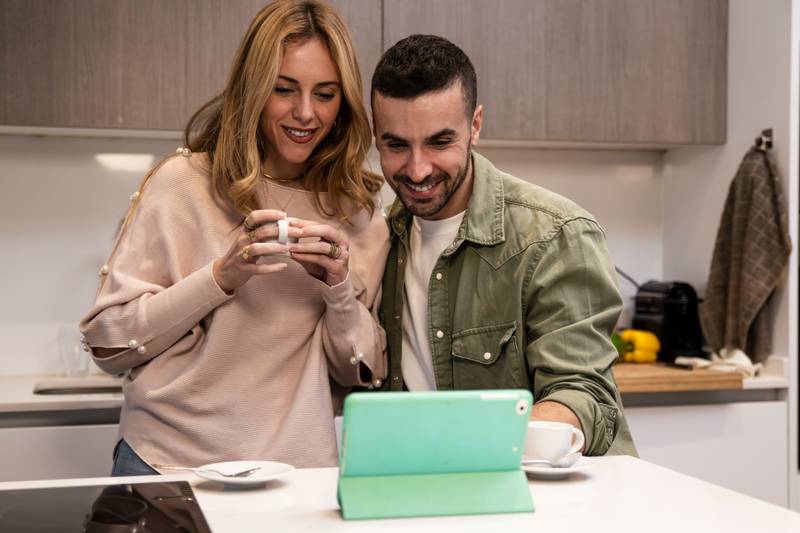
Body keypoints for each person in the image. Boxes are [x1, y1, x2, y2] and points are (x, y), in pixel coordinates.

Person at [80, 0, 389, 475]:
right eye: (284, 89)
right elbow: (108, 345)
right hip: (167, 465)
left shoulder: (358, 212)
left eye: (325, 94)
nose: (306, 113)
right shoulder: (182, 183)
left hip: (298, 476)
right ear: (253, 88)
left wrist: (338, 289)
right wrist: (221, 277)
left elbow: (360, 372)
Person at [371, 34, 636, 456]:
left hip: (557, 503)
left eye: (440, 142)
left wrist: (473, 445)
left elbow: (585, 398)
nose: (417, 169)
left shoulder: (554, 234)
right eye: (397, 145)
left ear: (475, 124)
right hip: (444, 493)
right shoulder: (381, 239)